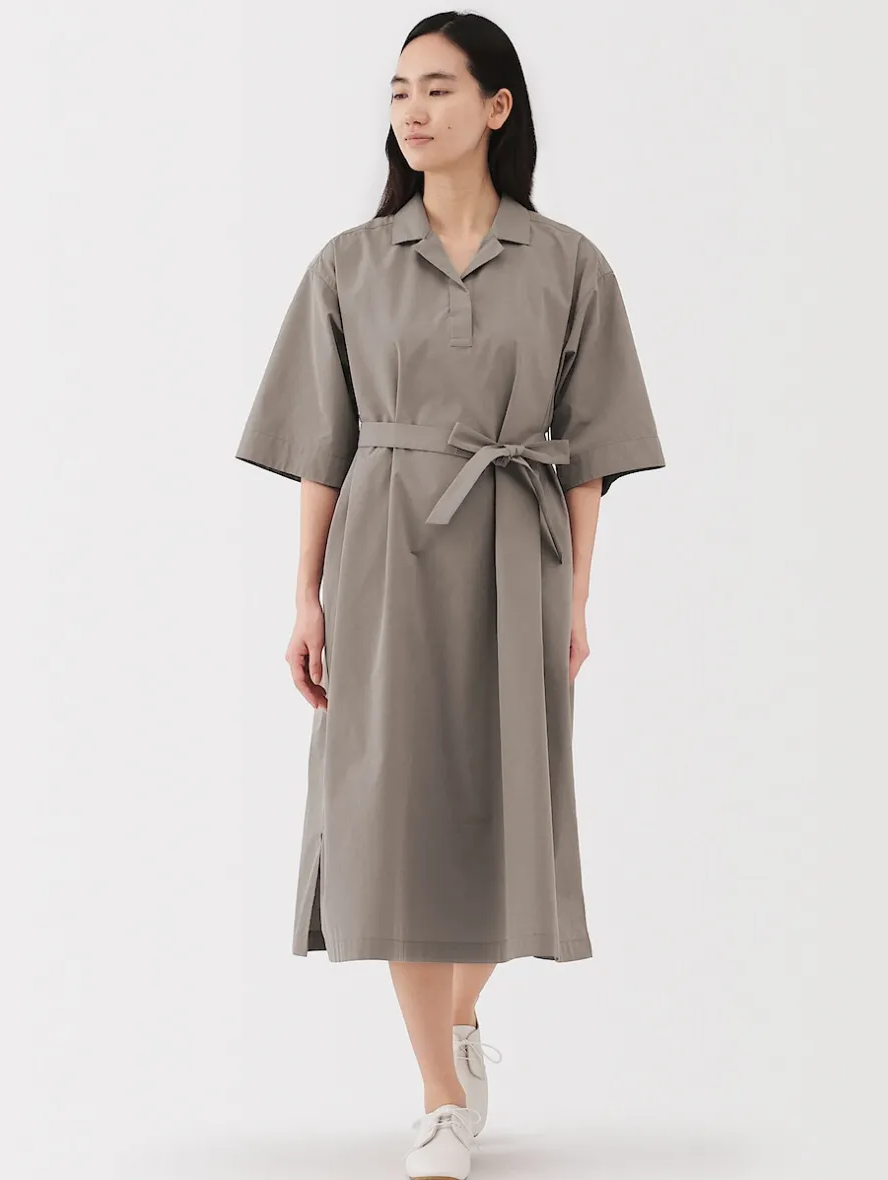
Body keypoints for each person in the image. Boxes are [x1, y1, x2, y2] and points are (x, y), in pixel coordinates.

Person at [234, 12, 665, 1178]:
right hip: (382, 549)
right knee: (390, 815)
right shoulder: (350, 263)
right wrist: (304, 596)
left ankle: (459, 1024)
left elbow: (591, 450)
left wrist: (576, 596)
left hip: (518, 547)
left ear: (496, 106)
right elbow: (320, 447)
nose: (411, 111)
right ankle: (439, 1096)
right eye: (397, 91)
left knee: (505, 813)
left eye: (435, 87)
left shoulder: (568, 263)